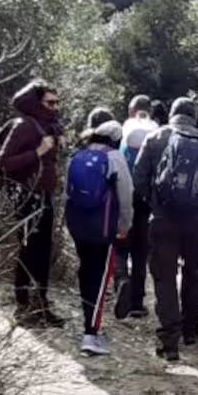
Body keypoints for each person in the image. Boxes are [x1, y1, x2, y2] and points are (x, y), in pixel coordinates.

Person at [132, 97, 198, 362]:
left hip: (163, 219)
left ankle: (169, 340)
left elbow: (138, 177)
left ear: (172, 114)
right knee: (193, 272)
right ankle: (191, 330)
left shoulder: (155, 138)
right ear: (194, 117)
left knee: (164, 278)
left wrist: (155, 202)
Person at [0, 79, 65, 327]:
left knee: (43, 251)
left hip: (44, 195)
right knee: (29, 249)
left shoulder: (49, 126)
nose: (54, 107)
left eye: (56, 102)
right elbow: (3, 162)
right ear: (36, 103)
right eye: (49, 102)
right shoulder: (24, 126)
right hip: (27, 195)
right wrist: (38, 152)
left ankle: (40, 304)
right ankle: (24, 306)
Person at [64, 113, 134, 356]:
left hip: (77, 226)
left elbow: (67, 191)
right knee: (101, 279)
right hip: (103, 229)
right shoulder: (114, 158)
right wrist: (125, 224)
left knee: (86, 272)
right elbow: (126, 195)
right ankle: (90, 334)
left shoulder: (79, 155)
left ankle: (88, 323)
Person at [115, 95, 160, 321]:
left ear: (131, 111)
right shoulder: (155, 132)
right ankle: (137, 302)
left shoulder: (125, 131)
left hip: (123, 196)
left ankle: (121, 278)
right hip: (145, 200)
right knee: (141, 251)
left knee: (121, 243)